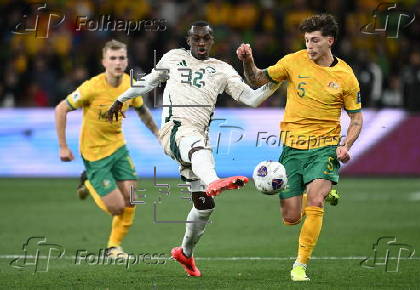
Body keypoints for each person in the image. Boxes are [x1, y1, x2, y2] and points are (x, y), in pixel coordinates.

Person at [106, 21, 280, 276]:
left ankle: (185, 253)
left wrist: (277, 80)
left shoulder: (222, 70)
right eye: (196, 39)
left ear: (212, 41)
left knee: (204, 205)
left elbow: (252, 98)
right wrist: (120, 99)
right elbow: (148, 82)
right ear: (188, 40)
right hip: (174, 130)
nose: (200, 43)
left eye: (205, 39)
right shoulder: (173, 58)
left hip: (197, 140)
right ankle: (214, 180)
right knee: (196, 146)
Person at [237, 14, 363, 281]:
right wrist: (248, 61)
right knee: (291, 217)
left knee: (315, 201)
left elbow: (356, 118)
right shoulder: (293, 61)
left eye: (315, 40)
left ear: (330, 41)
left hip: (325, 147)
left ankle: (300, 265)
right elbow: (257, 80)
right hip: (292, 148)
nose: (310, 46)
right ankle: (324, 190)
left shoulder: (346, 76)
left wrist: (345, 144)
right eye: (307, 40)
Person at [55, 39, 159, 258]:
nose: (118, 62)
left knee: (131, 199)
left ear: (126, 60)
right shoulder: (91, 88)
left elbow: (142, 110)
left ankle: (113, 247)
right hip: (94, 154)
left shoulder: (130, 85)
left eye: (121, 57)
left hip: (118, 147)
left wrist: (158, 134)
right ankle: (87, 181)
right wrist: (63, 147)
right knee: (117, 208)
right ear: (104, 62)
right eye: (113, 58)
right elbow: (60, 109)